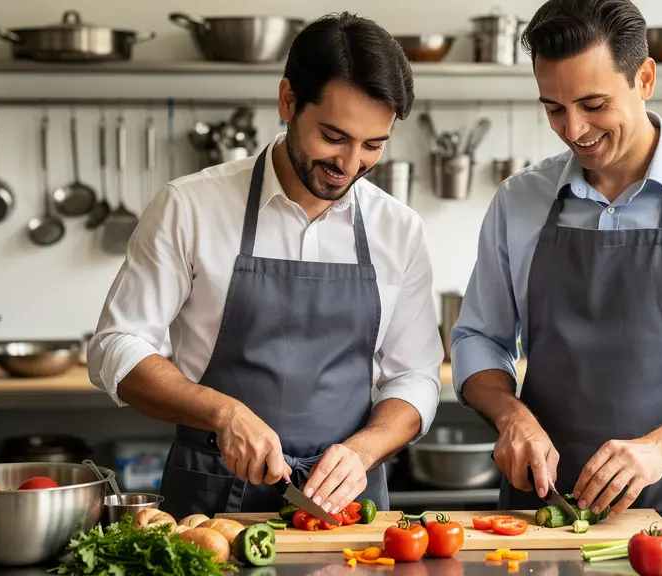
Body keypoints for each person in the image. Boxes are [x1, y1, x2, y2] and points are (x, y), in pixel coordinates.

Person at [87, 12, 443, 520]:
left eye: (373, 145)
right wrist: (222, 412)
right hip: (209, 503)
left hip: (343, 506)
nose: (349, 165)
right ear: (287, 101)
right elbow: (116, 346)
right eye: (333, 137)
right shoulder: (190, 206)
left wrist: (364, 450)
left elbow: (416, 377)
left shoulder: (399, 229)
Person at [450, 0, 662, 518]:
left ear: (645, 78)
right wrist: (510, 416)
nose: (574, 129)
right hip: (545, 512)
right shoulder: (519, 200)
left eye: (594, 104)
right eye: (554, 109)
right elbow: (478, 338)